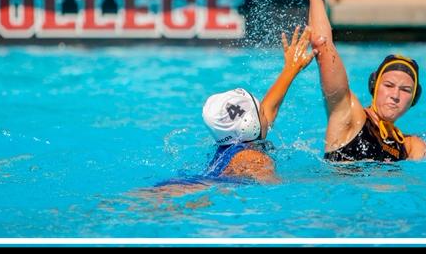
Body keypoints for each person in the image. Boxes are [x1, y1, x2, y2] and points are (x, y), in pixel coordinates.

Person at [129, 25, 319, 202]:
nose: (265, 112)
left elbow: (268, 110)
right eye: (260, 111)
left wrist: (291, 69)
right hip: (201, 195)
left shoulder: (232, 146)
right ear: (250, 126)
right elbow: (277, 193)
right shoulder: (255, 159)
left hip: (189, 185)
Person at [296, 0, 426, 162]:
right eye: (389, 85)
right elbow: (323, 46)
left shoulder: (409, 146)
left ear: (414, 99)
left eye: (405, 90)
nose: (395, 96)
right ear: (374, 86)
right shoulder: (350, 115)